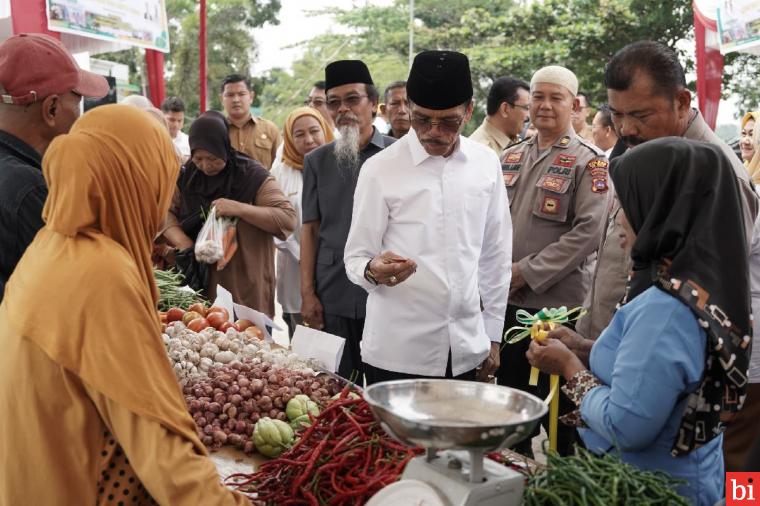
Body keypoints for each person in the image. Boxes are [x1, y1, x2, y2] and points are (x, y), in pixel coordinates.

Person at [0, 104, 249, 505]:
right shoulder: (100, 275)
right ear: (133, 181)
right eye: (160, 180)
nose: (165, 196)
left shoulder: (53, 242)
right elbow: (163, 452)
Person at [527, 138, 749, 505]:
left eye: (626, 203)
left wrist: (568, 366)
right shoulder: (701, 281)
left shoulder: (665, 311)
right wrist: (585, 348)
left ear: (661, 208)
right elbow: (659, 371)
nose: (616, 218)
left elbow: (626, 426)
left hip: (651, 489)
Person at [344, 50, 512, 384]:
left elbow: (495, 255)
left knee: (460, 438)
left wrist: (493, 335)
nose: (432, 132)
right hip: (397, 354)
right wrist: (372, 270)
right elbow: (356, 257)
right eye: (422, 120)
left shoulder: (486, 164)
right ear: (407, 108)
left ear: (468, 112)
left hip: (466, 349)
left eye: (448, 122)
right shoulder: (380, 169)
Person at [579, 40, 758, 342]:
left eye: (640, 115)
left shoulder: (722, 177)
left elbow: (715, 303)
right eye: (617, 115)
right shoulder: (637, 152)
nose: (625, 129)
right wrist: (590, 348)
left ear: (682, 102)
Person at [498, 65, 610, 456]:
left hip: (557, 311)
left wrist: (524, 272)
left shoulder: (590, 162)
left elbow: (589, 233)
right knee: (511, 409)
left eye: (555, 98)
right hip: (506, 305)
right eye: (538, 97)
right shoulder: (510, 155)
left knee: (559, 414)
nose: (545, 106)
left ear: (575, 104)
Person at [301, 60, 395, 379]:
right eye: (334, 102)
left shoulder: (398, 156)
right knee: (337, 388)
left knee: (385, 389)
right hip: (332, 291)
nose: (343, 109)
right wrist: (307, 293)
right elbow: (310, 229)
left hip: (387, 294)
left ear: (373, 103)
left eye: (352, 99)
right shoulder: (316, 161)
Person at [0, 33, 108, 303]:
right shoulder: (30, 190)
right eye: (78, 101)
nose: (81, 114)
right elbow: (66, 299)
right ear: (51, 109)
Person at [163, 111, 296, 317]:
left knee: (249, 337)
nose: (206, 166)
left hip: (245, 281)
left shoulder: (252, 176)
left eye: (213, 158)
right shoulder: (187, 175)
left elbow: (286, 218)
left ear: (224, 148)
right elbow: (166, 214)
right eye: (199, 158)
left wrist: (238, 208)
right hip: (201, 283)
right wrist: (184, 243)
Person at [271, 107, 334, 337]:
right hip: (294, 271)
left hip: (335, 270)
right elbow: (275, 222)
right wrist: (303, 254)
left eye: (314, 131)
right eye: (299, 134)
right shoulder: (280, 172)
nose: (308, 140)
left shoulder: (339, 163)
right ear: (289, 138)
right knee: (305, 351)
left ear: (325, 130)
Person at [220, 74, 282, 170]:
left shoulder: (270, 129)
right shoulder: (216, 131)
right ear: (221, 99)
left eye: (241, 94)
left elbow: (281, 165)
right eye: (230, 95)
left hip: (263, 185)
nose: (236, 100)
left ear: (251, 97)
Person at [469, 76, 530, 155]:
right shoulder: (481, 152)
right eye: (526, 108)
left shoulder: (513, 142)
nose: (528, 116)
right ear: (505, 109)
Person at [161, 96, 191, 163]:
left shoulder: (189, 142)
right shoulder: (154, 140)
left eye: (179, 120)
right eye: (171, 120)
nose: (176, 125)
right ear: (162, 116)